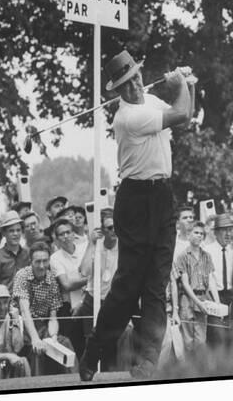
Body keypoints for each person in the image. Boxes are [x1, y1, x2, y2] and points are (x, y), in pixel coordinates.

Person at [80, 49, 195, 381]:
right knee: (128, 286)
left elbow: (184, 111)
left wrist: (189, 82)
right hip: (133, 200)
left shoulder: (152, 101)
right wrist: (180, 84)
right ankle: (94, 352)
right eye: (127, 84)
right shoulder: (127, 117)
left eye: (137, 78)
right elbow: (181, 113)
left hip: (161, 196)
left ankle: (147, 360)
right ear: (118, 90)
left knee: (156, 283)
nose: (135, 87)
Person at [12, 241, 71, 376]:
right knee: (37, 349)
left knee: (64, 343)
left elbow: (53, 317)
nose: (42, 266)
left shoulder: (52, 280)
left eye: (45, 261)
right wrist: (35, 338)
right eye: (37, 261)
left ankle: (74, 382)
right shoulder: (22, 275)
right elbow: (25, 311)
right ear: (30, 261)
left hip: (44, 326)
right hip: (22, 326)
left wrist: (53, 336)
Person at [70, 209, 118, 364]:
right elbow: (84, 271)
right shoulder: (94, 246)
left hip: (114, 301)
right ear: (102, 230)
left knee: (111, 343)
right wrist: (91, 243)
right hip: (92, 300)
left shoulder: (123, 246)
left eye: (115, 226)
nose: (114, 231)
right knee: (91, 342)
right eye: (109, 228)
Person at [171, 222, 219, 355]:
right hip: (187, 300)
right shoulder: (182, 256)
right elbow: (185, 284)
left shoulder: (207, 256)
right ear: (189, 235)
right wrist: (198, 303)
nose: (199, 236)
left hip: (203, 298)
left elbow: (211, 281)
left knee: (201, 341)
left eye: (202, 234)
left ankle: (200, 370)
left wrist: (217, 302)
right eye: (196, 233)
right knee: (187, 341)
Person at [49, 218, 88, 335]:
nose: (65, 236)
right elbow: (66, 285)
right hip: (70, 307)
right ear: (56, 238)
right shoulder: (55, 258)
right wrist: (89, 279)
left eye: (68, 232)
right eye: (61, 234)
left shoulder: (85, 249)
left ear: (73, 234)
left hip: (89, 301)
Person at [204, 213, 233, 345]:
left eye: (230, 230)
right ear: (216, 232)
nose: (228, 234)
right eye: (224, 230)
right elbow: (208, 280)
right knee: (216, 337)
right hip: (214, 297)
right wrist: (216, 303)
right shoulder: (207, 251)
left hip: (231, 298)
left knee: (232, 336)